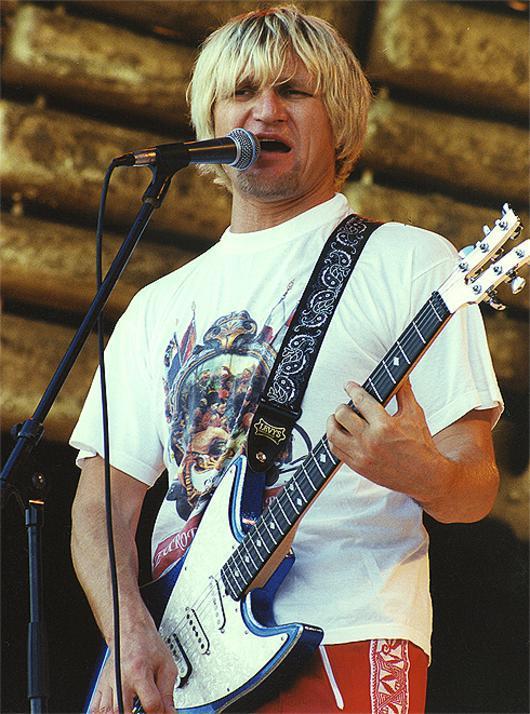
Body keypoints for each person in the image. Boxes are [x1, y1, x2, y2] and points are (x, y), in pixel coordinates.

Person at [70, 6, 502, 713]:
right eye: (242, 92)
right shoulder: (156, 305)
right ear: (211, 121)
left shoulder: (408, 261)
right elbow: (101, 504)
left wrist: (418, 470)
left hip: (345, 635)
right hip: (180, 665)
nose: (265, 111)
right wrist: (128, 631)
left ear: (339, 122)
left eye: (294, 92)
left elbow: (475, 488)